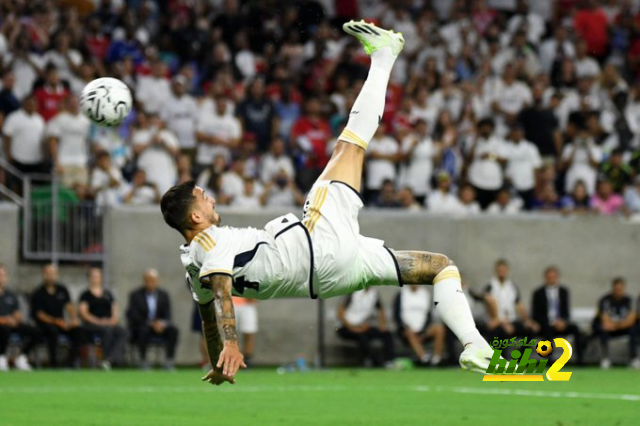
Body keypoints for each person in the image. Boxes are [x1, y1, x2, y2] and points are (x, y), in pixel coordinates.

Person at [161, 22, 494, 385]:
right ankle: (384, 55)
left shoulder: (192, 265)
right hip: (319, 243)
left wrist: (218, 357)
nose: (210, 198)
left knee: (440, 268)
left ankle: (476, 345)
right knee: (348, 146)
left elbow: (208, 313)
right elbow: (223, 288)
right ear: (195, 215)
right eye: (202, 197)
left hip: (334, 276)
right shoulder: (208, 243)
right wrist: (232, 344)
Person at [31, 264, 82, 368]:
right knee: (52, 331)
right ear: (43, 275)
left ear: (57, 275)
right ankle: (54, 364)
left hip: (61, 323)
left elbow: (69, 306)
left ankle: (69, 363)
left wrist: (73, 319)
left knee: (78, 331)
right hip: (45, 325)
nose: (50, 276)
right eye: (48, 273)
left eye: (53, 273)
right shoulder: (38, 293)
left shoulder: (62, 290)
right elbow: (40, 315)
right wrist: (56, 321)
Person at [126, 269, 179, 370]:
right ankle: (143, 360)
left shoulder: (164, 295)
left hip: (160, 327)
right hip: (143, 326)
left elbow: (168, 315)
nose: (150, 283)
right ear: (144, 281)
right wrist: (151, 323)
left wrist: (162, 323)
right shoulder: (135, 295)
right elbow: (133, 315)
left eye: (153, 280)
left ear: (157, 281)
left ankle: (169, 360)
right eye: (148, 280)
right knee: (143, 330)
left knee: (173, 330)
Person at [531, 266, 584, 365]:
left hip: (561, 324)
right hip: (545, 324)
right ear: (545, 278)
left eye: (553, 277)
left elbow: (566, 311)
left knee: (576, 329)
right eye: (549, 277)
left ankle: (580, 360)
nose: (551, 279)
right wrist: (550, 322)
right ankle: (548, 360)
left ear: (557, 278)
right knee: (547, 331)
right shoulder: (538, 293)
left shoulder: (563, 292)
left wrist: (563, 321)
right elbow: (536, 314)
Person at [78, 267, 127, 370]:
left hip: (108, 323)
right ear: (89, 278)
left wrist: (111, 320)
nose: (96, 278)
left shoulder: (108, 294)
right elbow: (84, 313)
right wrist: (99, 322)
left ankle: (111, 359)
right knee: (107, 331)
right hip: (92, 325)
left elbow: (115, 310)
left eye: (98, 276)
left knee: (122, 332)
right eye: (93, 276)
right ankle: (105, 358)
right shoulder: (85, 295)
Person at [337, 288, 395, 367]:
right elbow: (340, 313)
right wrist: (353, 327)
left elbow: (381, 310)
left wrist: (382, 325)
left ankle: (389, 362)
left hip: (362, 327)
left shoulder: (374, 293)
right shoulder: (352, 291)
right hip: (345, 327)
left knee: (386, 334)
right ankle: (378, 363)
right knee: (362, 337)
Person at [484, 259, 539, 341]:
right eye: (500, 270)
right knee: (500, 335)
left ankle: (523, 354)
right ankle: (498, 354)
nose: (502, 272)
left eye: (504, 270)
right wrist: (502, 323)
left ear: (507, 271)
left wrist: (528, 320)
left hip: (511, 320)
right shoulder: (490, 287)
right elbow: (489, 306)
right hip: (497, 322)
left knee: (529, 331)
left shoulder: (512, 287)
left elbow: (519, 305)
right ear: (496, 271)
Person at [593, 278, 639, 369]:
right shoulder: (605, 300)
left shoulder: (629, 300)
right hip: (609, 328)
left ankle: (634, 358)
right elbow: (604, 318)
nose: (618, 291)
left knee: (635, 330)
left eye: (620, 289)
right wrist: (609, 324)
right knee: (601, 328)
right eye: (616, 289)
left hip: (622, 327)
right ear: (612, 289)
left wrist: (617, 325)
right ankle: (605, 358)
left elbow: (631, 319)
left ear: (624, 289)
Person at [393, 285, 445, 366]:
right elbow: (396, 315)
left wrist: (424, 332)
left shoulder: (425, 294)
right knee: (410, 333)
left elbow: (428, 315)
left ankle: (436, 359)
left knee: (439, 329)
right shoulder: (401, 294)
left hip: (422, 330)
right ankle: (424, 359)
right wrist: (403, 328)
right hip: (407, 331)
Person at [0, 264, 37, 371]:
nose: (1, 277)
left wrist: (16, 318)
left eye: (2, 275)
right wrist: (5, 320)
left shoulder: (10, 295)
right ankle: (1, 357)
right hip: (2, 325)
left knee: (35, 331)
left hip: (11, 324)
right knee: (4, 330)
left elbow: (16, 312)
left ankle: (21, 358)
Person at [232, 297, 258, 367]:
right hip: (231, 302)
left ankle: (247, 359)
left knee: (249, 331)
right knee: (231, 333)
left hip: (248, 303)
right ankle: (233, 358)